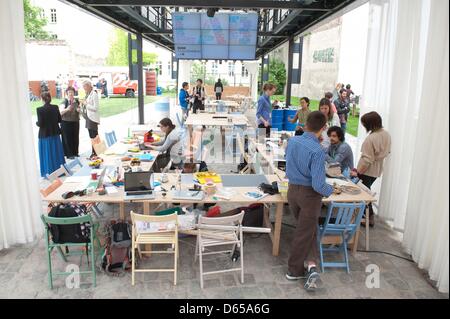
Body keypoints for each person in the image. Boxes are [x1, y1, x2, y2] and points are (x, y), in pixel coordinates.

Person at [285, 111, 334, 291]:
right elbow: (318, 184)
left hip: (292, 191)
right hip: (309, 195)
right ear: (323, 128)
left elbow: (288, 162)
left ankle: (311, 265)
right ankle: (294, 270)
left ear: (306, 123)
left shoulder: (292, 141)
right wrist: (331, 190)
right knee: (304, 233)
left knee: (308, 229)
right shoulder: (318, 151)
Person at [351, 112, 391, 227]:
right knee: (366, 190)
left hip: (367, 170)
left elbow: (367, 160)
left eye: (364, 124)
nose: (364, 127)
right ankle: (366, 216)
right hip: (377, 169)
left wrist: (358, 173)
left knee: (364, 193)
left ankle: (368, 217)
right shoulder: (386, 134)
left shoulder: (371, 138)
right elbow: (387, 152)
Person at [36, 92, 65, 178]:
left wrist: (36, 123)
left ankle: (49, 172)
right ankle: (59, 171)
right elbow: (59, 120)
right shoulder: (55, 107)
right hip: (55, 134)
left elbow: (40, 123)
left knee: (47, 153)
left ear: (42, 99)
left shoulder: (39, 109)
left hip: (45, 135)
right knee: (56, 152)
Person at [79, 80, 100, 158]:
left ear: (88, 86)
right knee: (91, 136)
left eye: (84, 86)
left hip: (93, 119)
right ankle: (94, 152)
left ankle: (96, 153)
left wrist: (86, 104)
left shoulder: (94, 94)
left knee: (94, 136)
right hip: (88, 118)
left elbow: (95, 108)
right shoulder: (88, 94)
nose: (84, 88)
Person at [59, 86, 80, 159]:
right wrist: (67, 109)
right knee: (67, 138)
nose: (71, 94)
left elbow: (79, 109)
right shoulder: (64, 101)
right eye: (69, 92)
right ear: (67, 93)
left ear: (74, 93)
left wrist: (78, 110)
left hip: (75, 121)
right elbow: (60, 113)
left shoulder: (76, 101)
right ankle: (69, 154)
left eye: (72, 92)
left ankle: (75, 152)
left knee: (75, 137)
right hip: (65, 122)